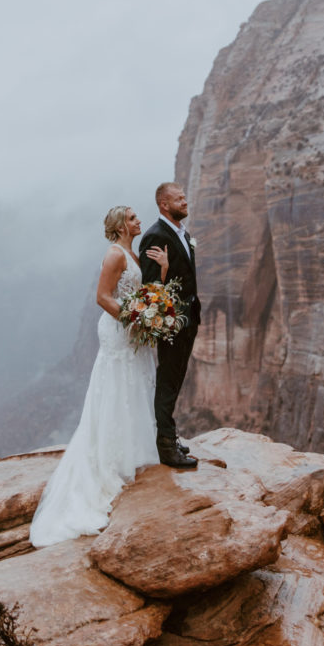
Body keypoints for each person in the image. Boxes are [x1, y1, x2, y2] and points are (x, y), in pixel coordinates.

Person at [29, 205, 168, 547]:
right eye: (133, 218)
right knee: (117, 390)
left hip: (133, 331)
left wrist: (162, 273)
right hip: (119, 332)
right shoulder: (113, 256)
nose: (139, 221)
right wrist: (133, 319)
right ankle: (110, 459)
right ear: (122, 225)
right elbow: (102, 297)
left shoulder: (131, 254)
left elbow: (147, 293)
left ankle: (132, 452)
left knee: (135, 388)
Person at [139, 182, 200, 469]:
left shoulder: (181, 233)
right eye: (179, 199)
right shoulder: (155, 237)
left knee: (175, 381)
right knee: (167, 383)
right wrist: (169, 321)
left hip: (187, 321)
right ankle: (166, 447)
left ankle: (169, 435)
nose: (185, 202)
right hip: (172, 324)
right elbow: (150, 290)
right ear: (164, 204)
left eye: (184, 197)